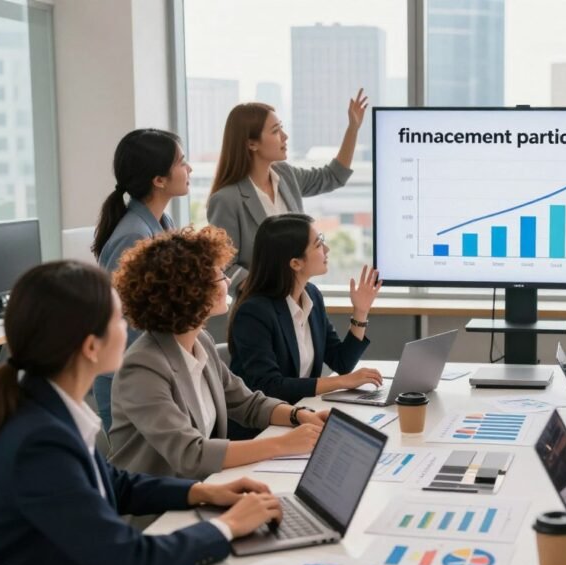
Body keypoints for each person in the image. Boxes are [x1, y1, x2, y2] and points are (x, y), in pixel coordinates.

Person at [0, 261, 283, 565]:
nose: (130, 326)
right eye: (119, 319)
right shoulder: (39, 441)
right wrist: (228, 526)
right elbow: (132, 562)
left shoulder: (45, 406)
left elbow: (114, 483)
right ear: (91, 347)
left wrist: (204, 492)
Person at [107, 227, 329, 480]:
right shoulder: (142, 367)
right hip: (152, 501)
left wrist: (299, 415)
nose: (228, 281)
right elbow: (190, 454)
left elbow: (247, 403)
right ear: (189, 293)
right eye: (220, 276)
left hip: (201, 487)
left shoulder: (200, 341)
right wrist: (283, 444)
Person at [207, 90, 368, 288]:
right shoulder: (227, 199)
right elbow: (224, 266)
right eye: (275, 131)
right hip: (259, 302)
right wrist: (266, 291)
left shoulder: (286, 176)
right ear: (252, 143)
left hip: (297, 299)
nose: (285, 136)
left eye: (281, 128)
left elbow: (333, 176)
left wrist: (353, 129)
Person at [90, 128, 191, 431]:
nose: (189, 169)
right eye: (181, 162)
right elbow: (126, 319)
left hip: (152, 370)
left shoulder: (163, 222)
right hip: (129, 380)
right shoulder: (134, 235)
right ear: (159, 180)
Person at [228, 213, 383, 403]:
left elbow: (341, 362)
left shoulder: (312, 295)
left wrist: (360, 311)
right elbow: (269, 386)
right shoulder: (254, 313)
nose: (326, 249)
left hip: (303, 410)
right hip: (266, 418)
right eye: (318, 245)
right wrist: (340, 382)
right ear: (295, 263)